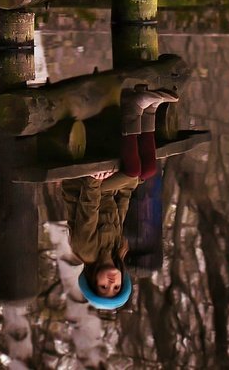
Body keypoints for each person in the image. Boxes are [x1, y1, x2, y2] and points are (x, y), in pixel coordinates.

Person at [61, 85, 179, 310]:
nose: (110, 283)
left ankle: (134, 108)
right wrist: (129, 184)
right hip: (106, 189)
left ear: (92, 279)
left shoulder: (86, 250)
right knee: (144, 172)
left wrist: (94, 179)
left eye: (103, 287)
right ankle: (149, 110)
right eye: (115, 288)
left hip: (83, 186)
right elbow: (121, 204)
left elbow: (88, 208)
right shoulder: (118, 248)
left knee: (135, 172)